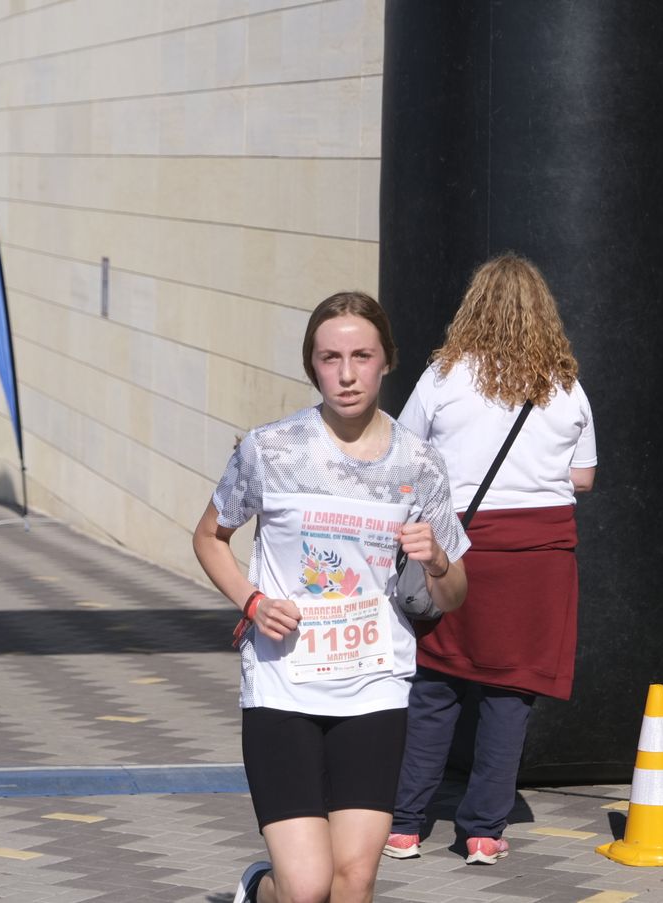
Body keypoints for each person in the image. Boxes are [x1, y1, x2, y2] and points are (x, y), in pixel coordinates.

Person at [192, 291, 470, 903]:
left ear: (386, 361)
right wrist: (251, 601)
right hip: (283, 685)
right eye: (329, 358)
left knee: (354, 879)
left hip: (374, 682)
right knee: (307, 886)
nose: (346, 374)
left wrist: (439, 560)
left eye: (361, 356)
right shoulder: (271, 450)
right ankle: (263, 889)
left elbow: (452, 596)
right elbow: (210, 536)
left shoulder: (420, 463)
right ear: (311, 366)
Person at [383, 253, 597, 866]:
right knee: (510, 695)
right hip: (540, 559)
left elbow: (406, 454)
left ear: (473, 307)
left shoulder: (443, 377)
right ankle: (482, 831)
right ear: (544, 314)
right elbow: (582, 478)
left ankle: (405, 825)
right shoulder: (565, 386)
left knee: (435, 687)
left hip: (460, 547)